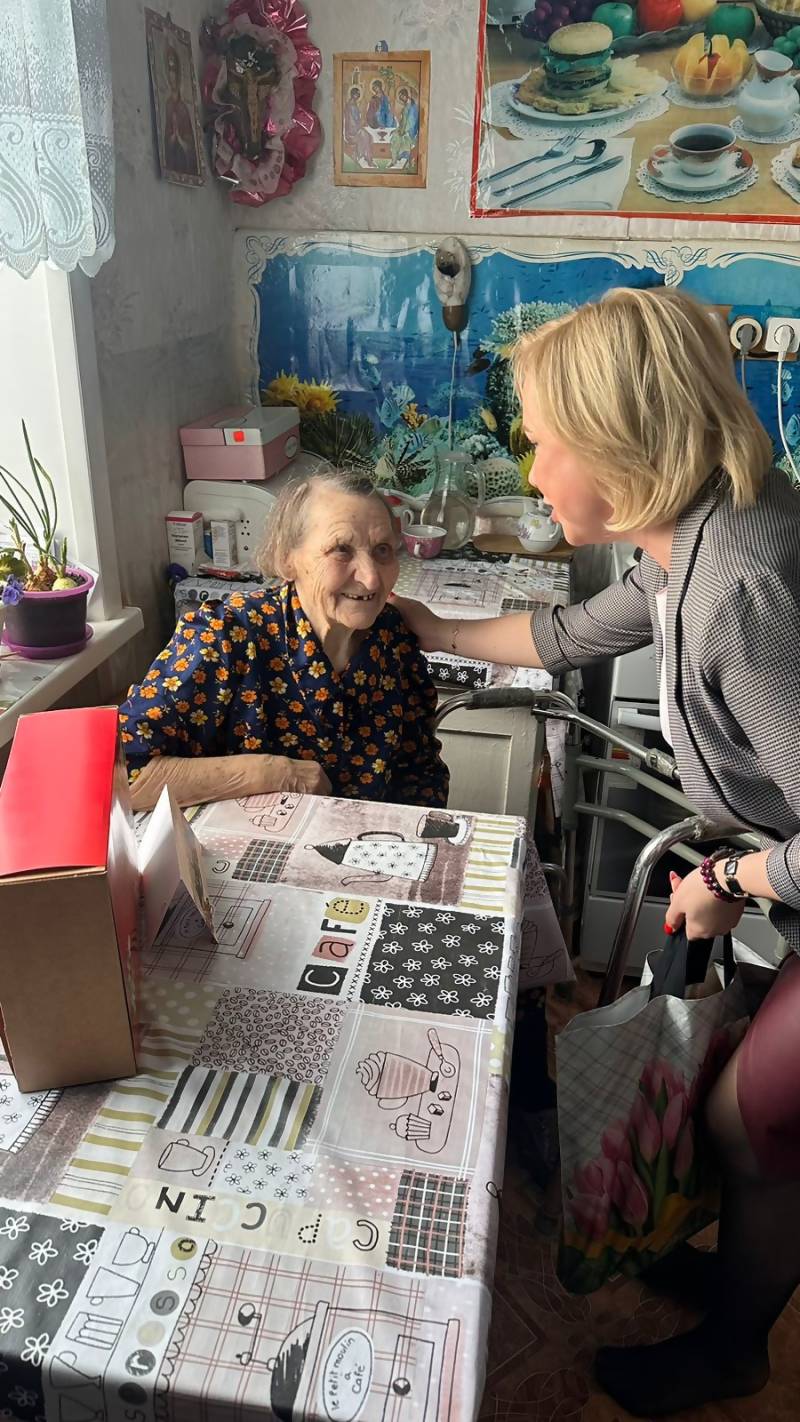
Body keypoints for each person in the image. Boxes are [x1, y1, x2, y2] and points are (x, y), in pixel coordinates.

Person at [392, 287, 800, 1417]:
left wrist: (728, 879)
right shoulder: (696, 534)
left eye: (542, 443)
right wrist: (429, 626)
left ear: (619, 444)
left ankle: (736, 1347)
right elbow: (571, 634)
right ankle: (739, 1274)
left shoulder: (736, 589)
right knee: (751, 1119)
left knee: (752, 1121)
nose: (532, 473)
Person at [120, 470, 448, 812]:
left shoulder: (392, 636)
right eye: (341, 550)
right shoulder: (226, 635)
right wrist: (273, 773)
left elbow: (420, 771)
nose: (371, 578)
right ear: (286, 559)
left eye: (382, 550)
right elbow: (120, 774)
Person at [162, 45, 200, 177]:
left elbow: (191, 148)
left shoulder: (184, 108)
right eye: (169, 70)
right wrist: (172, 138)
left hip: (185, 163)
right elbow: (166, 142)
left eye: (174, 70)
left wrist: (180, 139)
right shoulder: (167, 106)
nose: (172, 75)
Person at [343, 85, 374, 168]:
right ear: (353, 94)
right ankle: (366, 158)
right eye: (357, 94)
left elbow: (357, 119)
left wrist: (361, 123)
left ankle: (365, 157)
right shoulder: (350, 106)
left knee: (369, 136)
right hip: (351, 132)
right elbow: (351, 122)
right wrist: (360, 125)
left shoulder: (354, 104)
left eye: (359, 94)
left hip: (356, 128)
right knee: (366, 136)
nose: (358, 96)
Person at [390, 87, 420, 168]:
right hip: (404, 129)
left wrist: (404, 131)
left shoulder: (413, 107)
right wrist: (398, 129)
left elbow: (412, 121)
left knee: (402, 139)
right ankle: (394, 160)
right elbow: (403, 121)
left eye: (402, 96)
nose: (402, 99)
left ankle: (404, 160)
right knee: (394, 136)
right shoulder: (406, 106)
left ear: (406, 95)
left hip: (410, 131)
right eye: (400, 98)